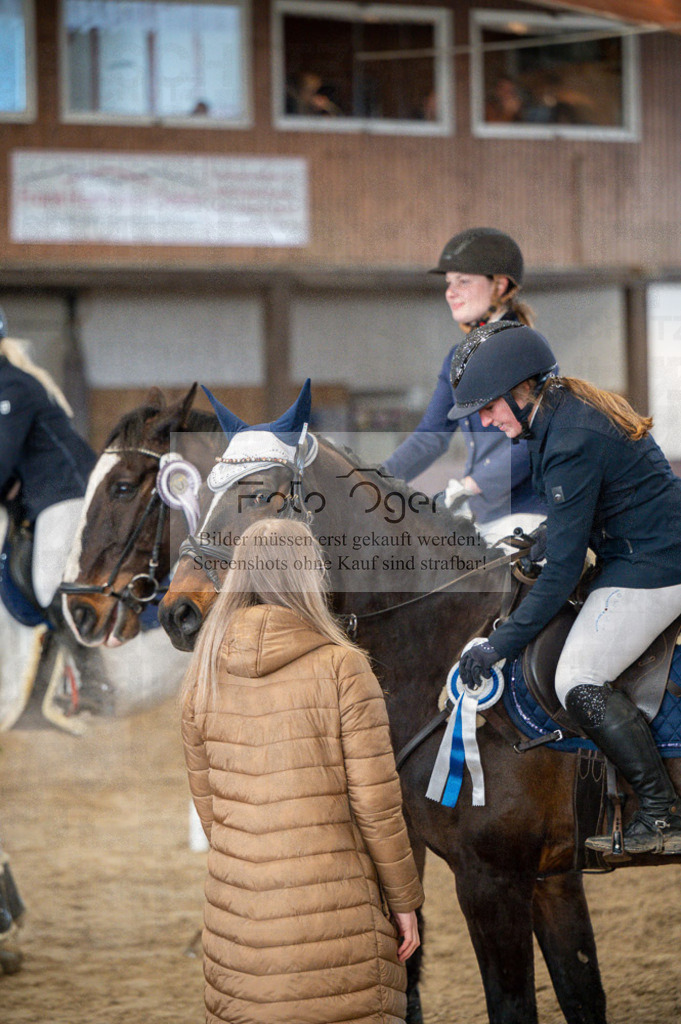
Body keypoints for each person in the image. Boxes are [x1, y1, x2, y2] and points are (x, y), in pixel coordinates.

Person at [181, 517, 424, 1024]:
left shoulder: (203, 671)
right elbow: (376, 806)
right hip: (338, 912)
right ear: (309, 575)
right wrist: (405, 900)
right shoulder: (343, 667)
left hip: (238, 917)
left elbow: (211, 811)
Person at [453, 319, 681, 856]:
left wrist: (497, 646)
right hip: (634, 551)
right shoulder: (557, 415)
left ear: (520, 389)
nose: (485, 420)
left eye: (489, 407)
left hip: (656, 565)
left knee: (577, 678)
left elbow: (561, 574)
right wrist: (541, 537)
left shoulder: (570, 436)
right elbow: (582, 509)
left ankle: (661, 811)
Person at [382, 227, 547, 540]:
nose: (450, 292)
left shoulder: (526, 348)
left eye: (463, 281)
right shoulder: (456, 357)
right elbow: (430, 437)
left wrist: (473, 484)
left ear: (499, 285)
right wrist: (373, 478)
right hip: (482, 514)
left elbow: (537, 435)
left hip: (526, 511)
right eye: (448, 282)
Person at [0, 307, 96, 612]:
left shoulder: (12, 386)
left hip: (66, 492)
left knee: (49, 586)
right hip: (42, 496)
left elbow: (1, 459)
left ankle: (78, 646)